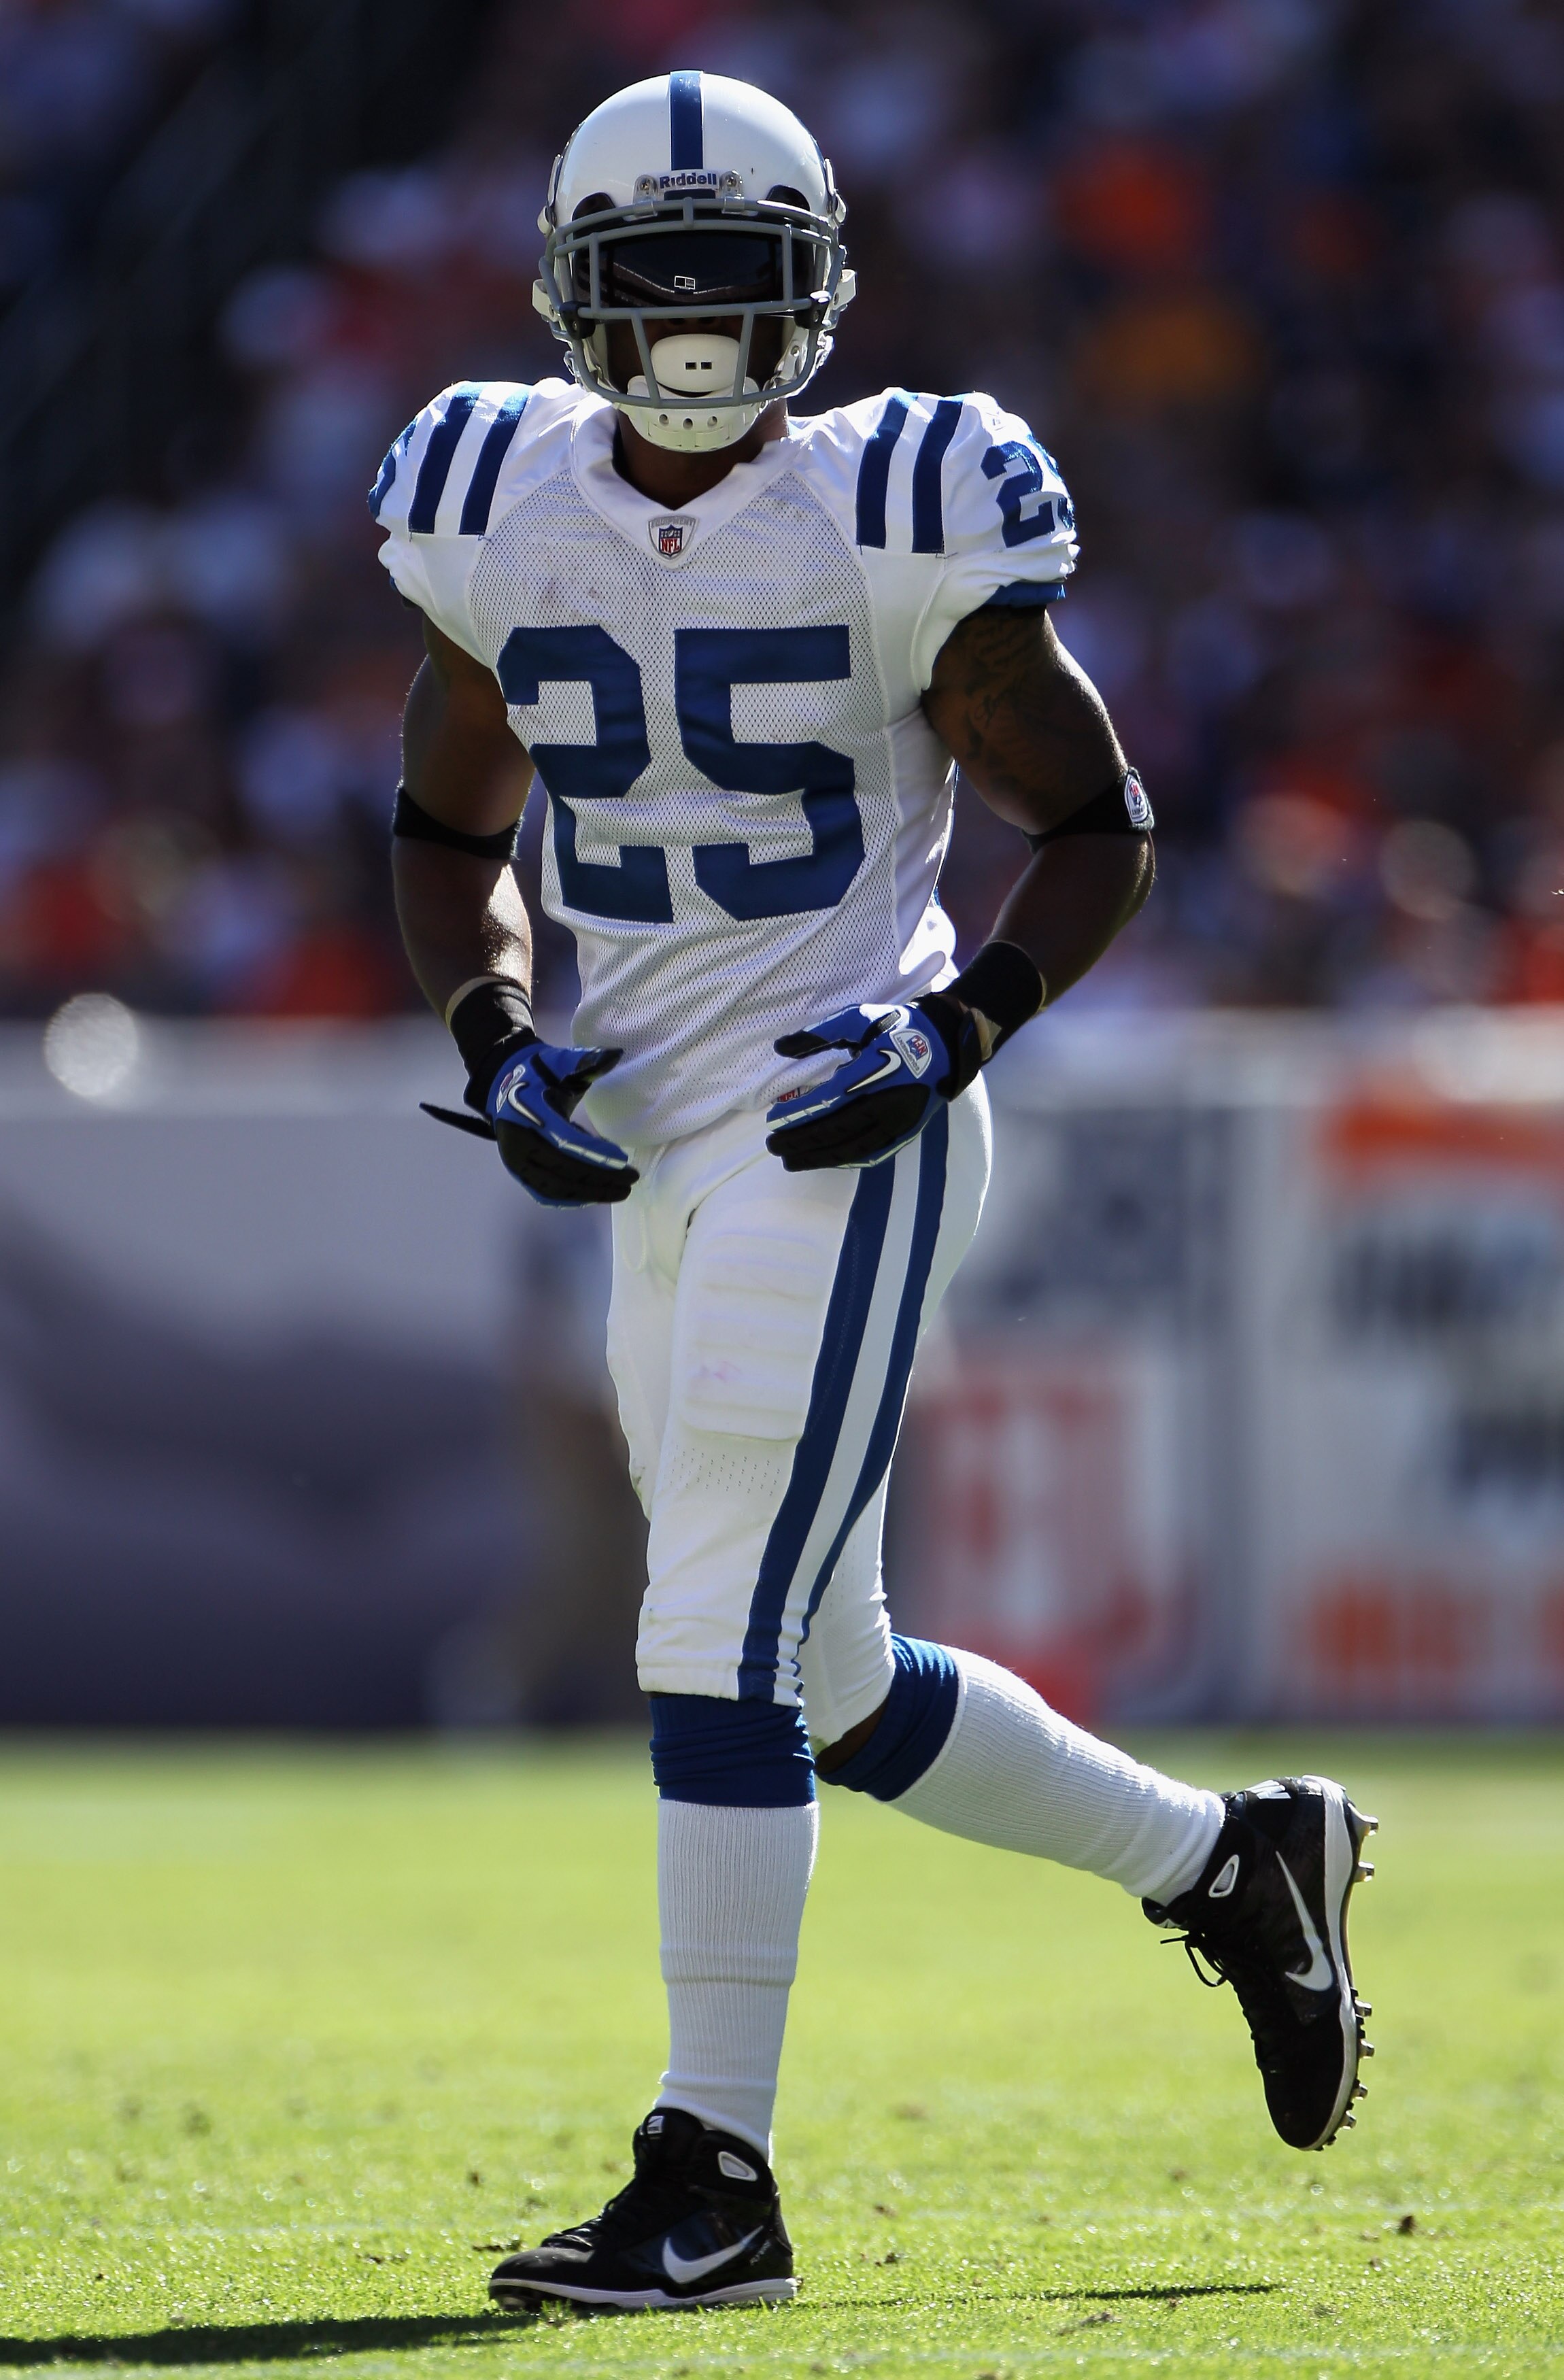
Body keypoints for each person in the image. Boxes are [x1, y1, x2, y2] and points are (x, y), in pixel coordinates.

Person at [374, 70, 1377, 2315]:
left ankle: (709, 2175)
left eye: (741, 279)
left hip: (849, 1099)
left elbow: (1096, 825)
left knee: (702, 1632)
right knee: (820, 1674)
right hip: (652, 1122)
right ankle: (1234, 1865)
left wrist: (958, 1025)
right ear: (574, 296)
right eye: (660, 283)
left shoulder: (900, 499)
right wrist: (491, 1038)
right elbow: (447, 840)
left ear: (816, 291)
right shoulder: (488, 498)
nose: (702, 330)